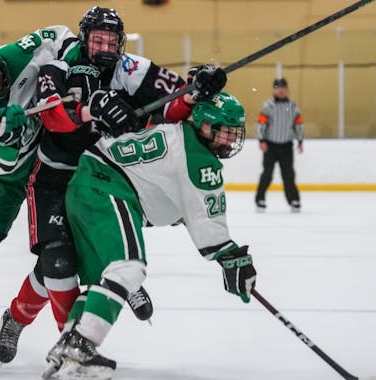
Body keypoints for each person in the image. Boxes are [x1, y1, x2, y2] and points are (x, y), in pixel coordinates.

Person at [0, 5, 228, 366]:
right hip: (56, 179)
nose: (105, 47)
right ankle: (54, 339)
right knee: (58, 262)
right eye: (97, 39)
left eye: (112, 40)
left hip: (107, 180)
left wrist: (196, 92)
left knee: (95, 257)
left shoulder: (131, 69)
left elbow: (173, 104)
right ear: (83, 37)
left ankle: (98, 297)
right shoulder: (58, 67)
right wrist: (91, 109)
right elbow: (55, 118)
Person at [44, 92, 257, 379]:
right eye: (224, 133)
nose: (230, 140)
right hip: (104, 187)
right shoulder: (198, 158)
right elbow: (208, 223)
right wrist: (231, 257)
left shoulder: (178, 136)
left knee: (101, 281)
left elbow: (173, 196)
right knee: (128, 267)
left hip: (87, 186)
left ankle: (67, 346)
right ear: (205, 126)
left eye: (234, 133)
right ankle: (79, 349)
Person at [0, 27, 82, 375]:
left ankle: (28, 319)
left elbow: (62, 34)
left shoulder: (19, 54)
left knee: (59, 252)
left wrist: (64, 71)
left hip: (48, 167)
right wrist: (6, 134)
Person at [254, 77, 304, 212]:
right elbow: (261, 124)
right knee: (267, 174)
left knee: (288, 175)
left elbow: (298, 125)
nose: (281, 90)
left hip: (286, 146)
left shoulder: (293, 107)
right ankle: (260, 199)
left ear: (287, 90)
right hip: (270, 146)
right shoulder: (268, 106)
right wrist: (261, 140)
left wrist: (300, 141)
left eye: (283, 88)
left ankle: (294, 200)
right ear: (274, 90)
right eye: (278, 88)